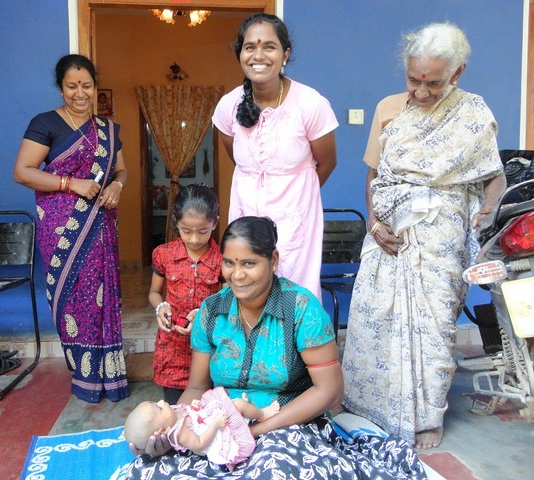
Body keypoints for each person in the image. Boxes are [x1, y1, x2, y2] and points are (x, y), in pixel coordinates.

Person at [126, 217, 427, 479]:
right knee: (152, 471)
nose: (237, 275)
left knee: (273, 470)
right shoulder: (212, 310)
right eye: (229, 263)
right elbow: (196, 387)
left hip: (288, 423)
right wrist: (174, 427)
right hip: (218, 428)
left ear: (273, 260)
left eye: (249, 263)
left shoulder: (300, 309)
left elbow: (330, 391)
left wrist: (254, 431)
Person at [341, 22, 506, 450]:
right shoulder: (388, 109)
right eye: (413, 79)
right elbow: (374, 176)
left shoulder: (472, 114)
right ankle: (371, 409)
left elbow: (494, 176)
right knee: (376, 322)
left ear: (457, 72)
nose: (421, 90)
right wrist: (374, 224)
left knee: (434, 331)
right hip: (388, 239)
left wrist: (487, 209)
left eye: (433, 82)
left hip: (440, 243)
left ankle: (427, 418)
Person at [13, 54, 130, 403]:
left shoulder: (107, 129)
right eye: (71, 86)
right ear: (61, 87)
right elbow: (23, 171)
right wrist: (70, 183)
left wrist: (117, 185)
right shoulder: (45, 122)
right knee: (73, 298)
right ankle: (84, 374)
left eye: (87, 85)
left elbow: (121, 171)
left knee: (101, 297)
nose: (80, 93)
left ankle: (109, 378)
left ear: (95, 86)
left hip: (100, 226)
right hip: (63, 229)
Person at [211, 13, 338, 299]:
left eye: (269, 46)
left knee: (294, 296)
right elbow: (238, 159)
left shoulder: (310, 104)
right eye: (250, 47)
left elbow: (328, 162)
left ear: (285, 54)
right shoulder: (228, 105)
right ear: (240, 53)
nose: (259, 55)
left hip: (295, 219)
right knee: (247, 290)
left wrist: (298, 198)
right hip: (246, 213)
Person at [149, 184, 222, 405]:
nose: (194, 239)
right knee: (175, 409)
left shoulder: (222, 259)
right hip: (172, 345)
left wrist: (204, 314)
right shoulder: (164, 254)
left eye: (203, 231)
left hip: (208, 345)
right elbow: (154, 293)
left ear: (214, 223)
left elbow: (228, 299)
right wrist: (160, 307)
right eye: (186, 231)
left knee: (207, 409)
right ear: (176, 223)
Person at [124, 387, 279, 471]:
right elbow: (200, 444)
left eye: (154, 402)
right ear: (163, 431)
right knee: (238, 405)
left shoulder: (172, 414)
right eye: (159, 408)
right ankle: (262, 414)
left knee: (236, 405)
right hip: (215, 434)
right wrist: (215, 425)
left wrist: (194, 406)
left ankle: (248, 414)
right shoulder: (180, 433)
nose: (161, 401)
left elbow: (190, 414)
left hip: (210, 417)